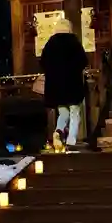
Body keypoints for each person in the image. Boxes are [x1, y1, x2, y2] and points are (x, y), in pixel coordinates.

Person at [40, 18, 88, 152]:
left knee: (63, 112)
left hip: (56, 87)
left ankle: (59, 131)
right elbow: (83, 61)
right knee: (74, 112)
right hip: (72, 84)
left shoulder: (51, 43)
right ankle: (71, 141)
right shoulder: (74, 42)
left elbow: (43, 62)